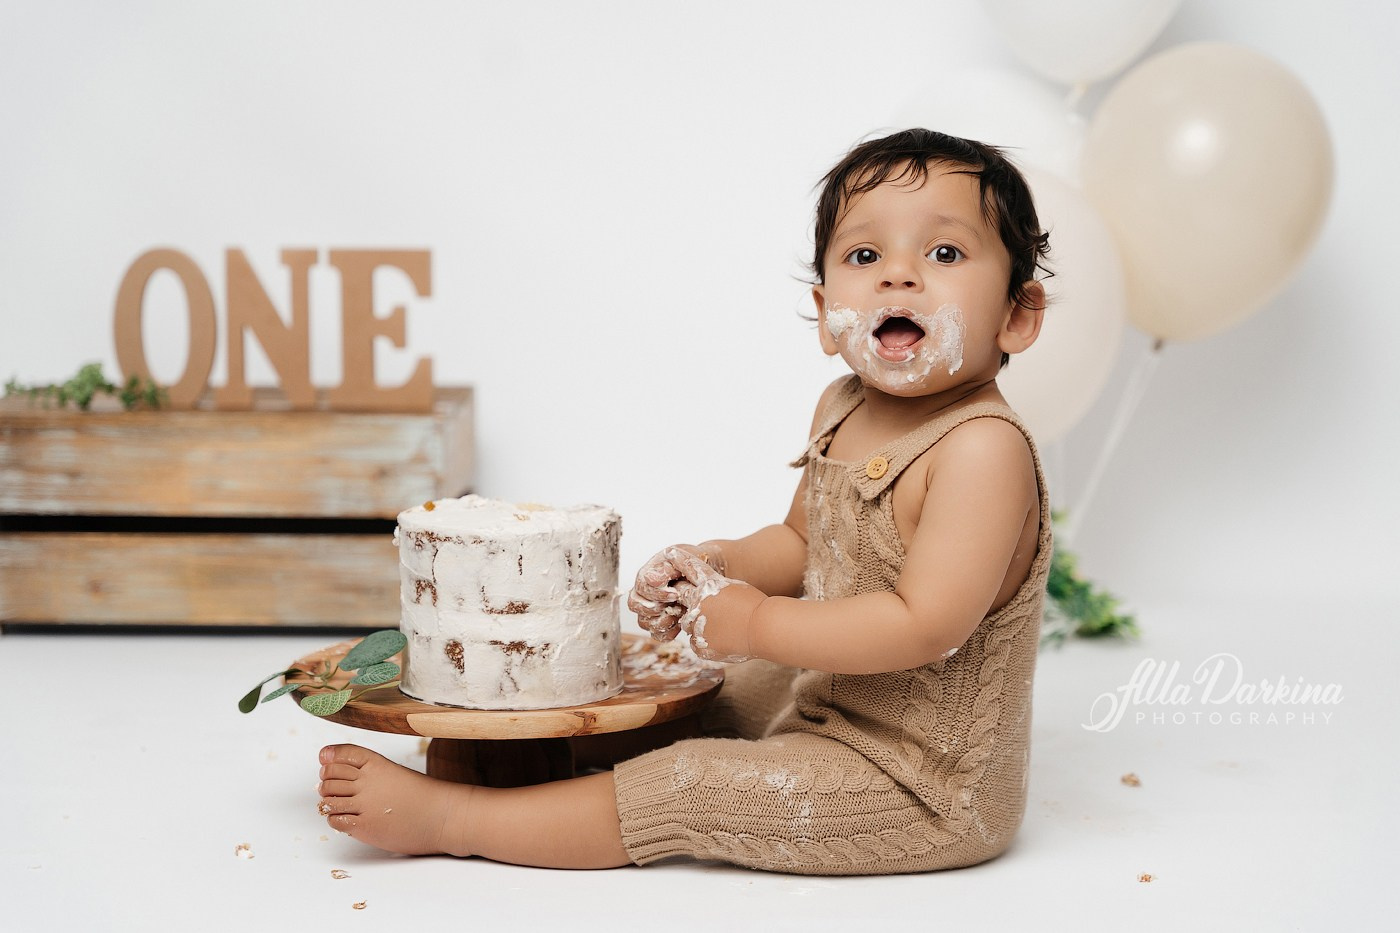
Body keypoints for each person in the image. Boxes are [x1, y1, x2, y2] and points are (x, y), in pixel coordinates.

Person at [316, 128, 1053, 875]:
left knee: (693, 784)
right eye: (867, 256)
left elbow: (922, 625)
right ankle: (545, 759)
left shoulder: (981, 450)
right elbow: (805, 543)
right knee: (709, 686)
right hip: (824, 700)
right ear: (827, 309)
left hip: (916, 781)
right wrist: (720, 564)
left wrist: (756, 620)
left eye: (944, 254)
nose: (899, 276)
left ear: (1017, 314)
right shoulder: (843, 403)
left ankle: (459, 819)